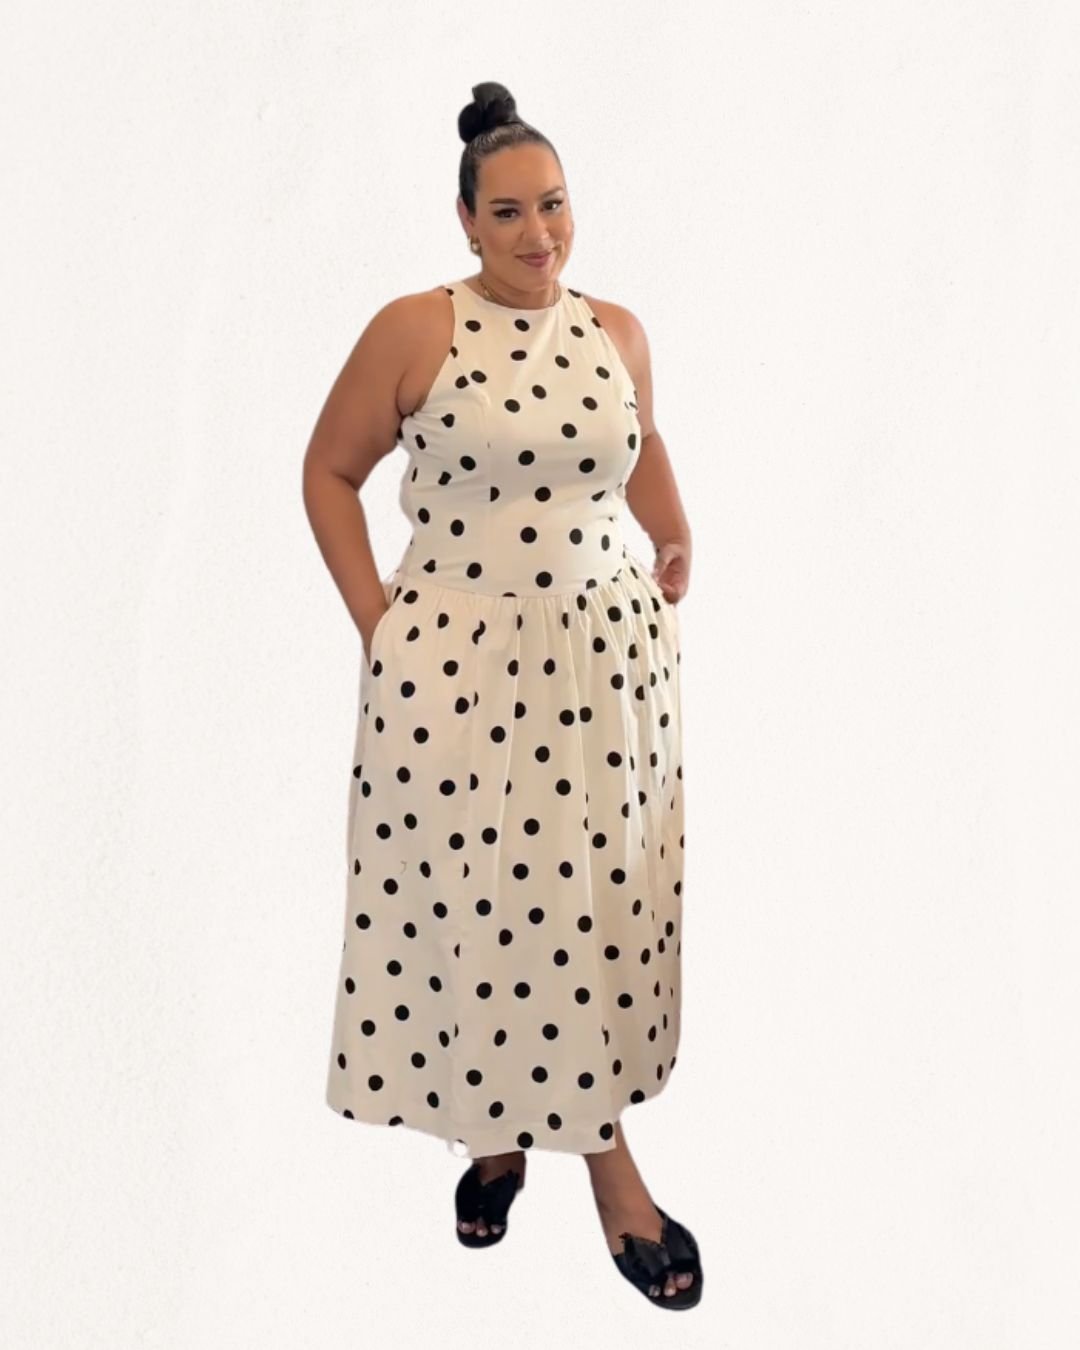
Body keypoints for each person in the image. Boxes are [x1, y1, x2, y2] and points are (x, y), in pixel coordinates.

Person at [303, 80, 700, 1308]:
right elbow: (328, 471)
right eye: (513, 212)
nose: (541, 234)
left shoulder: (616, 329)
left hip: (606, 672)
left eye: (556, 205)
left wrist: (675, 533)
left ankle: (522, 1136)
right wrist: (381, 625)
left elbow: (639, 445)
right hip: (461, 671)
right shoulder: (416, 329)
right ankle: (579, 1164)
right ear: (467, 220)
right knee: (484, 904)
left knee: (593, 907)